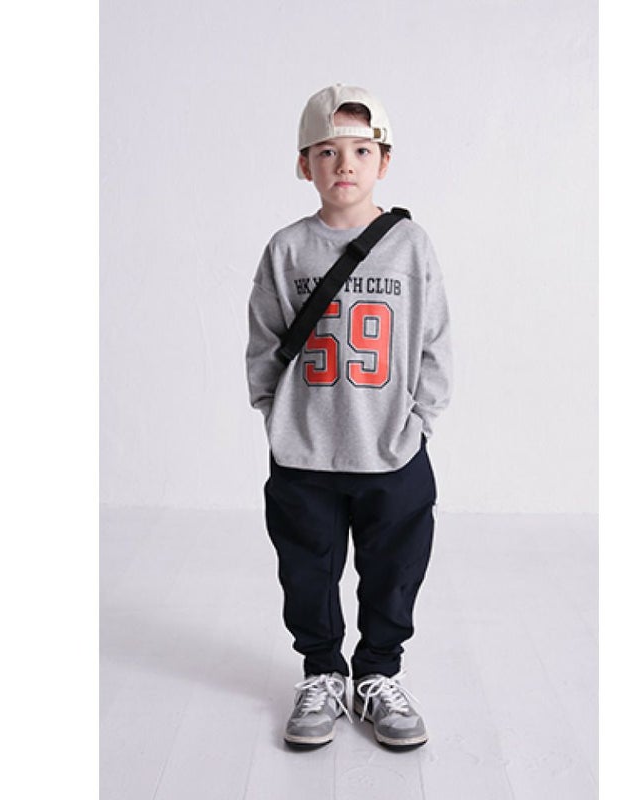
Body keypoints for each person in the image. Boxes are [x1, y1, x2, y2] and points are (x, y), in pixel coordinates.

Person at [245, 84, 452, 749]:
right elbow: (264, 340)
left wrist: (421, 420)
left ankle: (378, 674)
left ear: (383, 162)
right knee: (306, 572)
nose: (345, 165)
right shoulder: (287, 248)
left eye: (361, 151)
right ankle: (322, 673)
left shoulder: (410, 244)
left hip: (391, 449)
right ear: (303, 163)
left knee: (395, 570)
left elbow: (435, 339)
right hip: (304, 453)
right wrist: (277, 418)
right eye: (327, 151)